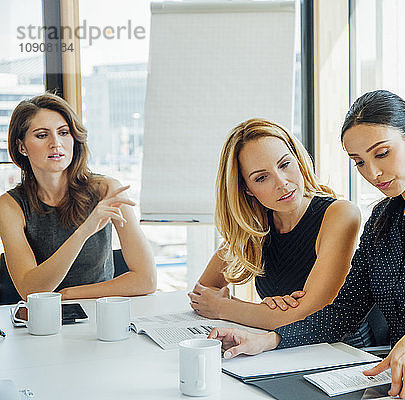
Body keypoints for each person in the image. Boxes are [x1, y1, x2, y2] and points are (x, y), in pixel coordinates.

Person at [207, 91, 405, 400]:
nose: (373, 173)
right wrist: (268, 339)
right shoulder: (382, 218)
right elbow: (342, 312)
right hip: (398, 381)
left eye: (381, 153)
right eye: (359, 162)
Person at [188, 118, 362, 332]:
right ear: (247, 189)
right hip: (280, 350)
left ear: (298, 159)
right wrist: (266, 313)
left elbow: (306, 316)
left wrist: (225, 307)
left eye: (285, 164)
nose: (281, 182)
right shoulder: (254, 228)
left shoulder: (340, 214)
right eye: (261, 178)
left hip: (342, 351)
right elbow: (202, 294)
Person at [0, 93, 156, 300]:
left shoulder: (107, 190)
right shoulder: (10, 206)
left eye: (64, 132)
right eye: (41, 135)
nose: (56, 143)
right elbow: (30, 291)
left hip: (101, 314)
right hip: (43, 321)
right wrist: (84, 231)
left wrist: (68, 294)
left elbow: (147, 280)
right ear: (21, 147)